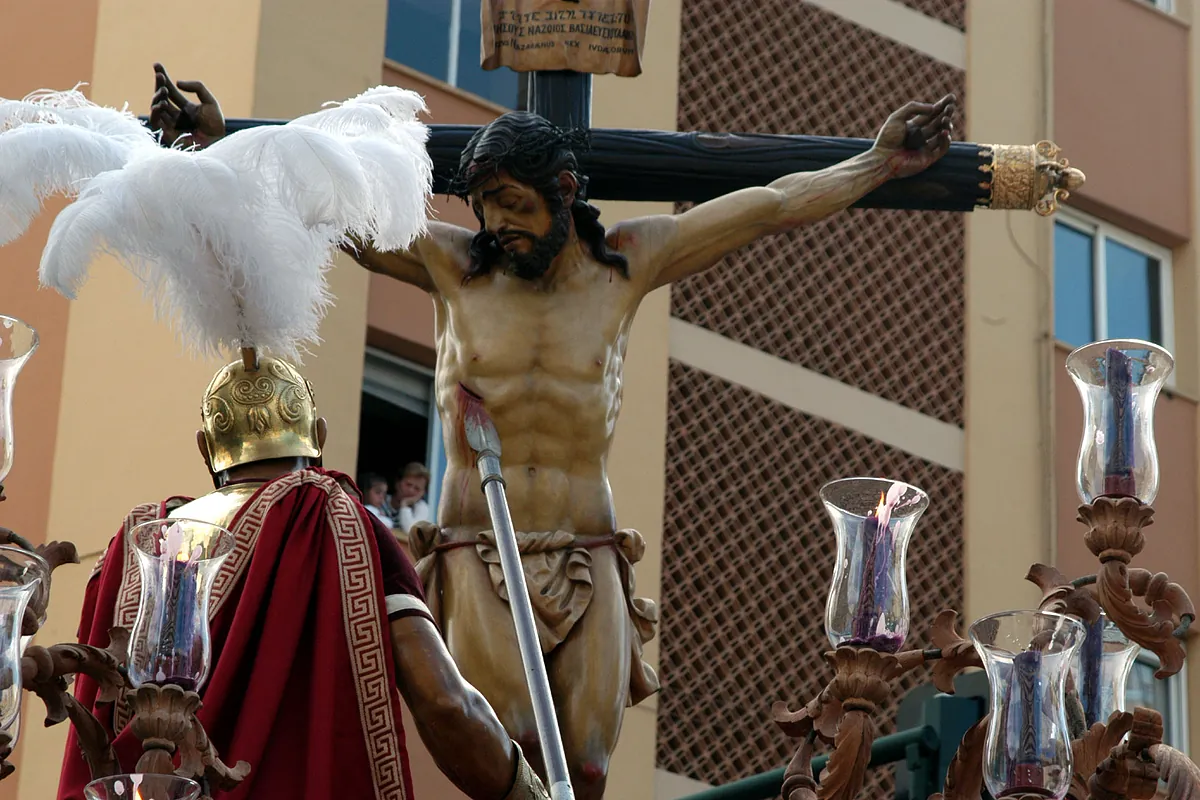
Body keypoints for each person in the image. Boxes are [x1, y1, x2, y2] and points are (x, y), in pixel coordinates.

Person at [149, 62, 955, 798]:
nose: (499, 225)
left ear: (565, 188)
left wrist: (877, 163)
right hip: (479, 549)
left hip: (588, 546)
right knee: (513, 768)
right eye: (487, 207)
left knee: (590, 772)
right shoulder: (450, 265)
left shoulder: (629, 264)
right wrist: (228, 139)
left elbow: (772, 208)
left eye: (516, 205)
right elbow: (323, 205)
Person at [59, 353, 549, 799]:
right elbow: (445, 703)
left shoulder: (137, 547)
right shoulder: (339, 526)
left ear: (205, 448)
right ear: (320, 435)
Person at [389, 462, 434, 532]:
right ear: (398, 483)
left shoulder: (422, 508)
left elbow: (411, 531)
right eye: (408, 484)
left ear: (422, 493)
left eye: (417, 488)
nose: (411, 491)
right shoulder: (380, 500)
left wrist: (404, 505)